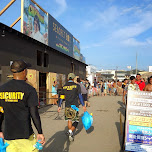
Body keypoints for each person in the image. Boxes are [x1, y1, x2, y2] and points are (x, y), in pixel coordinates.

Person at [0, 60, 45, 152]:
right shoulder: (29, 89)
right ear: (24, 71)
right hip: (25, 135)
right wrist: (40, 132)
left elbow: (0, 112)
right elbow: (34, 113)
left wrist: (0, 131)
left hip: (8, 136)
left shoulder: (2, 89)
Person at [58, 73, 86, 141]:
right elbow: (80, 96)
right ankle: (70, 132)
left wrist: (59, 106)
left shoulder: (64, 86)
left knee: (69, 120)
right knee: (76, 121)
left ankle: (70, 134)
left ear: (68, 78)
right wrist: (83, 105)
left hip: (67, 105)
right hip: (74, 106)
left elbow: (61, 97)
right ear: (73, 78)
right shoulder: (77, 86)